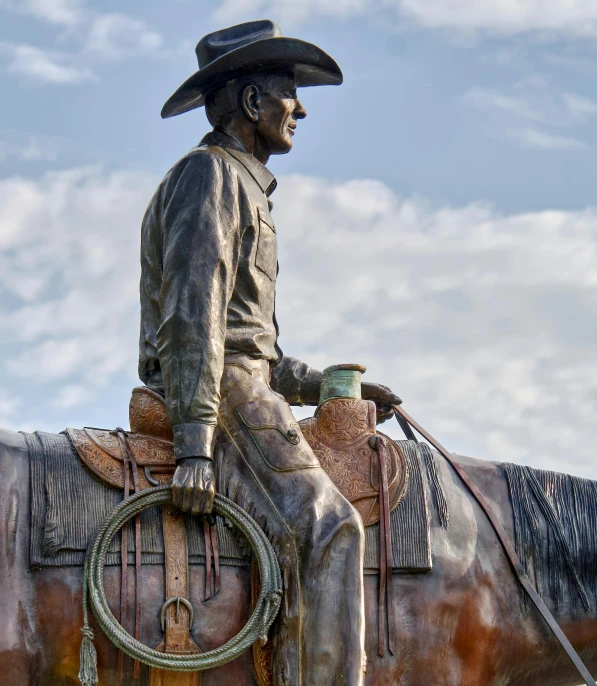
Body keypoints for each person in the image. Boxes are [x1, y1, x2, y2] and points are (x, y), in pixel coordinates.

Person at [138, 19, 401, 686]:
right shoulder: (209, 177)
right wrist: (196, 443)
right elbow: (193, 317)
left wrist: (328, 387)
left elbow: (258, 346)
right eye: (288, 92)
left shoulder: (239, 185)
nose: (300, 108)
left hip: (237, 378)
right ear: (253, 103)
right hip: (222, 393)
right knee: (332, 531)